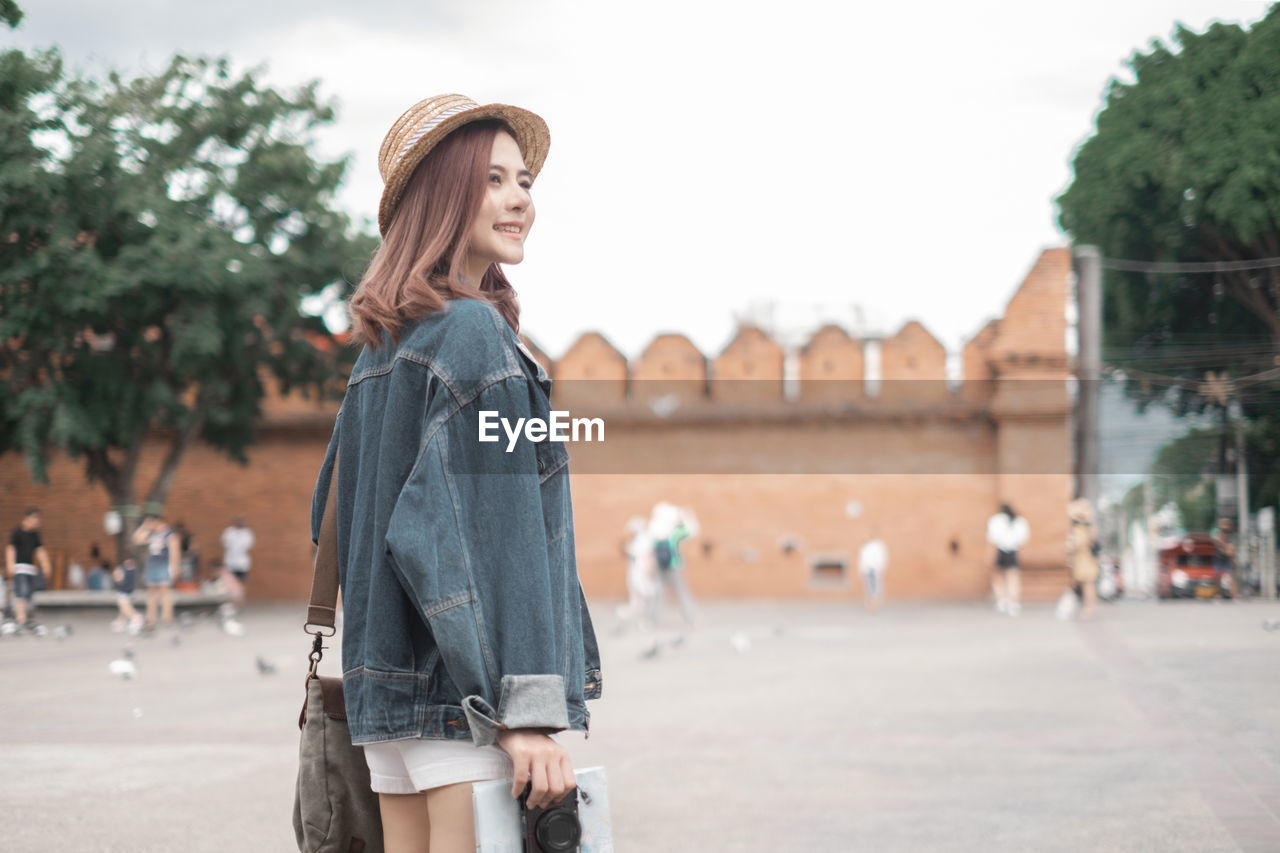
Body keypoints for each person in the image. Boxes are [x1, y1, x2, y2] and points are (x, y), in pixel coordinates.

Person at [310, 94, 601, 853]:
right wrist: (527, 712)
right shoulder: (473, 335)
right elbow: (494, 536)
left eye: (525, 181)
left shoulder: (378, 354)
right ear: (441, 195)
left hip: (387, 706)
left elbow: (331, 525)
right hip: (463, 702)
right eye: (493, 179)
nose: (518, 200)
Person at [648, 502, 699, 627]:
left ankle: (652, 620)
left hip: (660, 566)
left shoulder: (655, 530)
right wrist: (686, 516)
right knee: (681, 592)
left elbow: (649, 547)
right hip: (674, 566)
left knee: (658, 593)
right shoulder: (675, 531)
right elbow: (693, 530)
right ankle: (691, 618)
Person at [133, 513, 181, 631]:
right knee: (151, 592)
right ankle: (151, 618)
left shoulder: (168, 533)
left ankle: (167, 617)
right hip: (152, 564)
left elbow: (174, 550)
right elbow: (137, 539)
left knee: (165, 592)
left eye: (150, 522)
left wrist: (174, 566)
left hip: (163, 564)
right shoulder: (151, 533)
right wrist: (144, 527)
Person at [6, 508, 51, 629]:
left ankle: (26, 617)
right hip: (20, 568)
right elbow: (11, 548)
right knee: (21, 593)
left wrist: (46, 564)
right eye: (35, 519)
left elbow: (40, 550)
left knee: (29, 594)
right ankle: (21, 619)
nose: (37, 522)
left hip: (31, 569)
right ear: (27, 519)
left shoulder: (35, 535)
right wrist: (10, 564)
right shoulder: (17, 533)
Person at [987, 503, 1029, 616]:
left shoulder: (996, 520)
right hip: (1013, 550)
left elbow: (992, 537)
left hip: (1001, 550)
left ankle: (1001, 601)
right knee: (1013, 577)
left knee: (998, 577)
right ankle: (1014, 602)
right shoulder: (1020, 521)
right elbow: (1023, 538)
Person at [617, 516, 656, 630]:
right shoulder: (637, 539)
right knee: (636, 595)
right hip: (635, 571)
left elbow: (637, 552)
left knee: (645, 593)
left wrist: (626, 548)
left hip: (643, 571)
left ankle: (646, 619)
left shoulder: (644, 539)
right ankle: (637, 616)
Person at [1065, 498, 1099, 621]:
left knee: (1087, 585)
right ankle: (1088, 608)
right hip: (1085, 560)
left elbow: (1077, 544)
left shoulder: (1081, 528)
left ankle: (1088, 609)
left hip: (1084, 560)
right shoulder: (1089, 527)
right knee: (1087, 585)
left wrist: (1070, 546)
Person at [220, 516, 255, 591]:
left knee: (240, 583)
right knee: (229, 582)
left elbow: (248, 546)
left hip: (242, 563)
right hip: (230, 562)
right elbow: (225, 544)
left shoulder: (247, 533)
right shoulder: (229, 532)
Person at [110, 558, 143, 634]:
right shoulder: (132, 568)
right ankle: (121, 621)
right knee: (123, 609)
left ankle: (136, 618)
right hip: (129, 592)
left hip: (124, 592)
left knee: (125, 607)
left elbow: (118, 578)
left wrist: (116, 577)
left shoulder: (122, 569)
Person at [858, 534, 889, 611]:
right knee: (870, 587)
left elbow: (881, 558)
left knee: (875, 587)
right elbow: (863, 559)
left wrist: (880, 567)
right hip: (868, 569)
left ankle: (874, 604)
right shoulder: (867, 547)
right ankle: (871, 603)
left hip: (874, 568)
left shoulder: (877, 546)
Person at [1212, 516, 1237, 599]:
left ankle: (1234, 595)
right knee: (1217, 577)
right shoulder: (1217, 534)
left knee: (1231, 576)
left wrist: (1233, 557)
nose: (1225, 526)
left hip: (1227, 558)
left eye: (1226, 524)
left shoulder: (1231, 535)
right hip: (1219, 558)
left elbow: (1232, 548)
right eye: (1223, 524)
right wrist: (1227, 548)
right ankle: (1218, 595)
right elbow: (1218, 543)